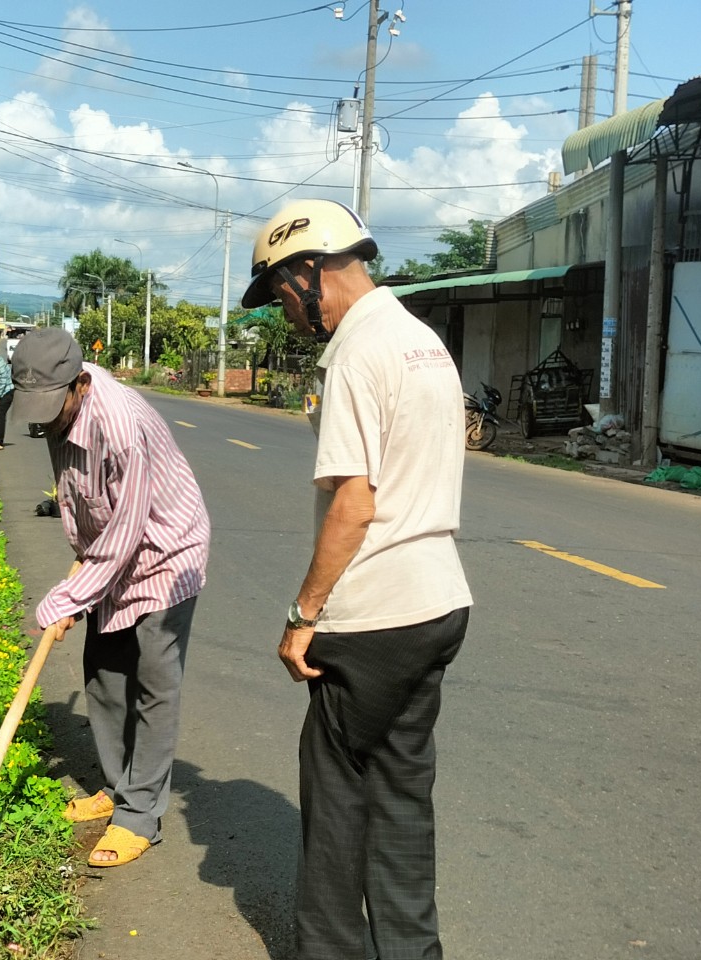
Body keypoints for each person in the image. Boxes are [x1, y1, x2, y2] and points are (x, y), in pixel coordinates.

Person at [241, 199, 473, 960]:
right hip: (438, 602)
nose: (286, 312)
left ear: (311, 270)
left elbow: (355, 501)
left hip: (372, 615)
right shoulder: (421, 341)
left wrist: (302, 612)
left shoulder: (354, 354)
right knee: (402, 795)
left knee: (338, 798)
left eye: (281, 293)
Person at [9, 328, 210, 868]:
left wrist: (72, 594)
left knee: (153, 682)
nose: (44, 418)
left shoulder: (118, 422)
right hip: (107, 555)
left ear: (79, 382)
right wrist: (82, 579)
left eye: (53, 406)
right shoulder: (53, 409)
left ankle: (140, 814)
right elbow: (80, 502)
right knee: (103, 671)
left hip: (165, 553)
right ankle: (119, 786)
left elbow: (128, 528)